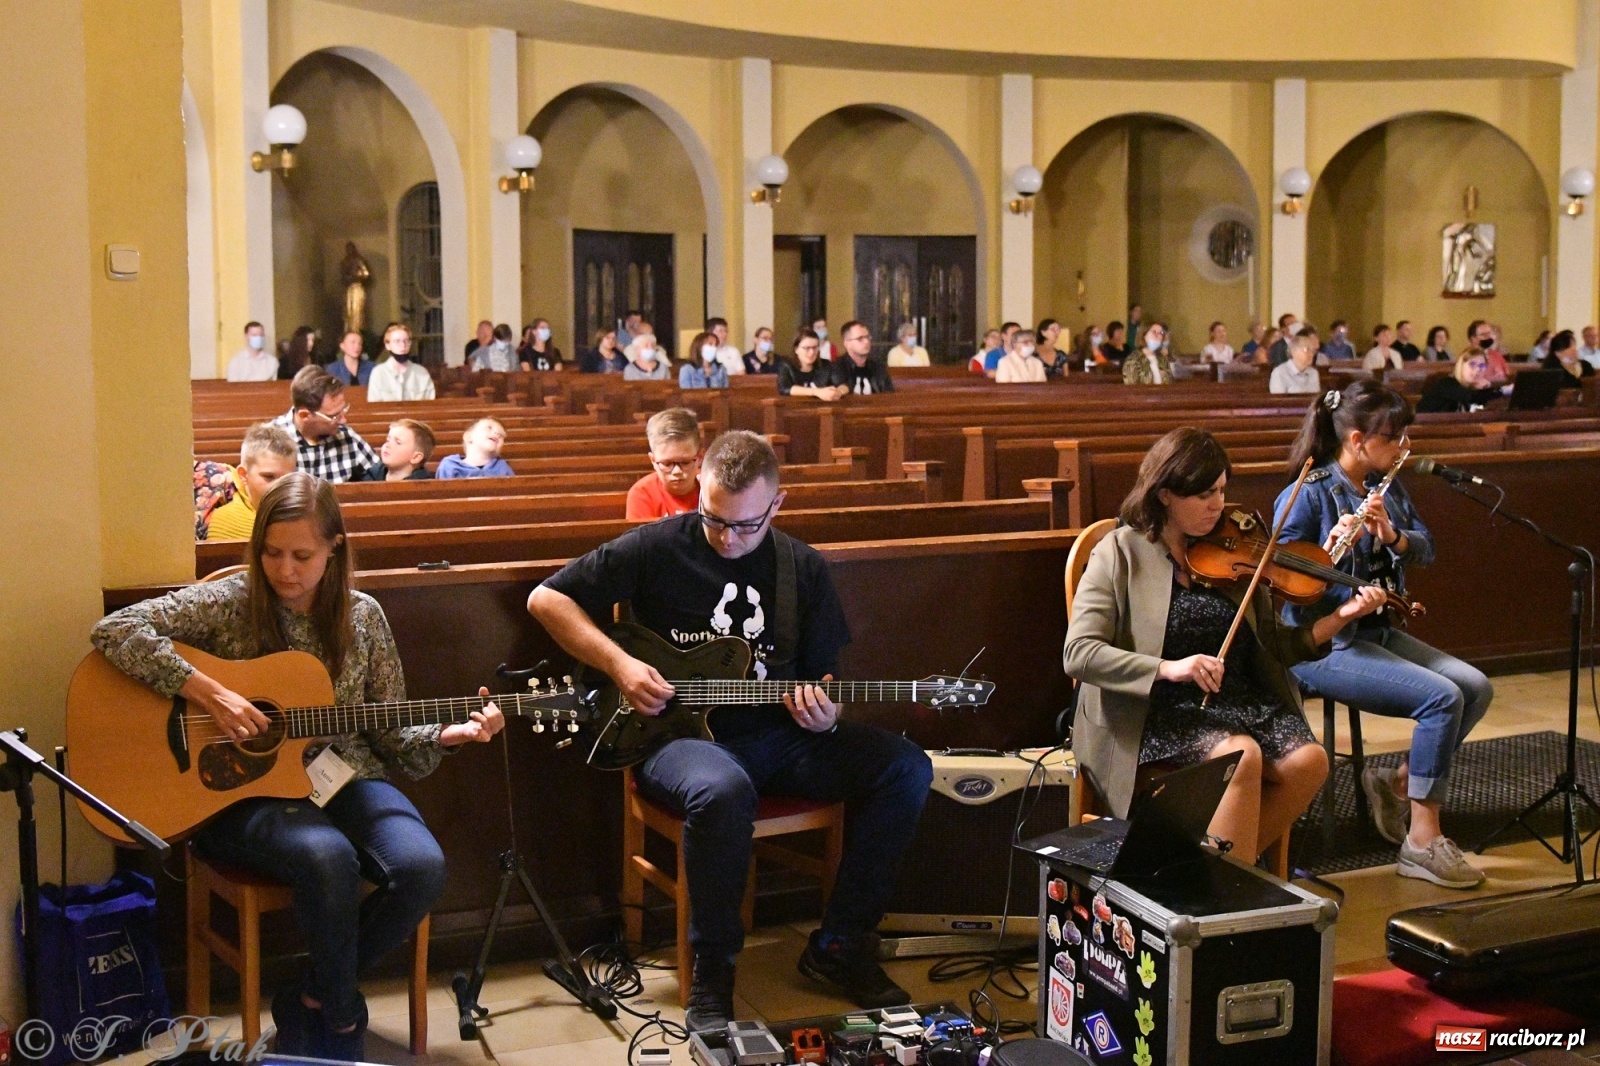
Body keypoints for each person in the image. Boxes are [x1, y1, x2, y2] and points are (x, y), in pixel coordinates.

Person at [526, 431, 933, 1030]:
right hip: (676, 740)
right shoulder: (657, 546)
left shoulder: (802, 567)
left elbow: (825, 676)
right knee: (722, 790)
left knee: (905, 767)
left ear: (778, 504)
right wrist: (620, 664)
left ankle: (840, 946)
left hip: (782, 737)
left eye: (746, 525)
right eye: (713, 518)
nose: (727, 537)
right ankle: (713, 973)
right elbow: (546, 600)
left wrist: (827, 712)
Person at [91, 472, 502, 1060]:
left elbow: (391, 734)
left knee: (420, 866)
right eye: (272, 553)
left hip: (344, 775)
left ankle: (311, 996)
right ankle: (341, 1026)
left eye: (303, 555)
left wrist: (450, 732)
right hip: (237, 792)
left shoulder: (363, 618)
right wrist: (209, 692)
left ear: (335, 547)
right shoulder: (231, 603)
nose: (285, 570)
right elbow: (115, 628)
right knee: (326, 855)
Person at [1065, 428, 1385, 861]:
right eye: (1202, 495)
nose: (1218, 505)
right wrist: (1170, 667)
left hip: (1231, 701)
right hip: (1151, 709)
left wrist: (1339, 618)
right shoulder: (1118, 552)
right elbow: (1079, 653)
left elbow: (1276, 648)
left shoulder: (1233, 549)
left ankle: (1211, 877)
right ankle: (1222, 899)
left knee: (1311, 761)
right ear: (1164, 495)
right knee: (1241, 755)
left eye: (1220, 490)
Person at [1275, 382, 1493, 888]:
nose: (1402, 448)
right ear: (1357, 439)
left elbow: (1427, 549)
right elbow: (1281, 578)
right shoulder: (1307, 492)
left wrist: (1390, 534)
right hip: (1323, 640)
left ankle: (1397, 785)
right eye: (1394, 437)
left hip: (1378, 631)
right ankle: (1421, 840)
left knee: (1476, 686)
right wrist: (1331, 553)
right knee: (1441, 698)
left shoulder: (1385, 486)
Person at [273, 368, 378, 483]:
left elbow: (381, 477)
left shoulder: (347, 437)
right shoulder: (271, 441)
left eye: (343, 410)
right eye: (334, 416)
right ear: (305, 415)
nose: (343, 420)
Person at [205, 423, 298, 540]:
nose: (279, 487)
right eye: (269, 477)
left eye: (287, 479)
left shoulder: (303, 517)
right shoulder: (225, 521)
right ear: (243, 475)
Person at [626, 408, 702, 520]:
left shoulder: (711, 487)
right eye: (667, 464)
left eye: (685, 462)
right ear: (653, 460)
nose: (677, 471)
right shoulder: (643, 493)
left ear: (699, 457)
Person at [366, 324, 436, 402]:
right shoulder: (379, 373)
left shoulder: (421, 372)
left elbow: (430, 404)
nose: (403, 345)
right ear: (388, 345)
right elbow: (374, 406)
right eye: (397, 341)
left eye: (406, 341)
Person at [1416, 350, 1500, 413]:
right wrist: (1502, 391)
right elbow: (1471, 397)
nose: (1477, 370)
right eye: (1472, 364)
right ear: (1461, 365)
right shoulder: (1446, 383)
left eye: (1482, 366)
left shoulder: (1473, 389)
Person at [779, 329, 849, 401]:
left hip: (822, 409)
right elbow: (785, 388)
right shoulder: (786, 365)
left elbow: (844, 385)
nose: (812, 352)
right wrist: (817, 392)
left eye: (815, 347)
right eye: (807, 348)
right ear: (796, 349)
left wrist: (839, 392)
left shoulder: (826, 365)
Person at [436, 418, 514, 479]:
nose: (497, 433)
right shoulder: (449, 465)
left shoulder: (503, 468)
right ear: (468, 437)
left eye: (501, 435)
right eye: (489, 427)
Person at [830, 320, 894, 394]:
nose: (866, 341)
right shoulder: (836, 368)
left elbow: (889, 395)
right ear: (847, 344)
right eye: (860, 339)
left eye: (867, 337)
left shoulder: (878, 367)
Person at [362, 419, 435, 481]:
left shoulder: (424, 487)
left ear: (415, 457)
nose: (388, 445)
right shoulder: (369, 477)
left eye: (398, 443)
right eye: (388, 440)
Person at [1467, 320, 1509, 385]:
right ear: (1473, 338)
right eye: (1483, 334)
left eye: (1489, 333)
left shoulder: (1496, 355)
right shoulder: (1467, 357)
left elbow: (1507, 376)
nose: (1488, 337)